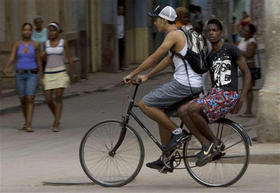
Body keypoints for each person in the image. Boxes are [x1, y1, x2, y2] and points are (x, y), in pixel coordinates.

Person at [123, 5, 203, 171]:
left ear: (164, 20)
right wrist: (147, 76)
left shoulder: (173, 35)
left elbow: (154, 58)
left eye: (156, 19)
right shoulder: (179, 34)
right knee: (161, 113)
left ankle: (178, 132)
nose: (154, 23)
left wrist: (133, 73)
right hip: (191, 84)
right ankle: (166, 158)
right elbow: (167, 61)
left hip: (184, 84)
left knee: (145, 104)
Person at [178, 19, 251, 167]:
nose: (211, 33)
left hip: (228, 94)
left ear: (221, 33)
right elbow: (213, 82)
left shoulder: (231, 49)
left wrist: (241, 99)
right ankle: (205, 143)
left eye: (215, 30)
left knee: (193, 109)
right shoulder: (210, 56)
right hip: (216, 94)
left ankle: (215, 143)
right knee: (182, 111)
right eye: (209, 31)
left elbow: (247, 74)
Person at [3, 23, 42, 132]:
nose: (27, 32)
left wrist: (42, 76)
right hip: (20, 74)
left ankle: (29, 124)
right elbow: (12, 57)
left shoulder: (35, 45)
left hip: (32, 74)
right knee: (22, 99)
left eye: (29, 30)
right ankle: (26, 122)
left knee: (30, 98)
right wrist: (6, 68)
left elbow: (39, 60)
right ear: (22, 31)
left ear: (32, 32)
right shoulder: (17, 44)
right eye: (25, 30)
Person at [42, 22, 78, 132]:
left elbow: (69, 58)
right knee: (48, 99)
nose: (51, 32)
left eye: (53, 30)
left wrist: (74, 73)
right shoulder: (46, 43)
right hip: (48, 73)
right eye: (50, 30)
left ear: (58, 31)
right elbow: (44, 60)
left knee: (58, 96)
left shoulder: (63, 43)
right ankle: (56, 116)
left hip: (61, 72)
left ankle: (56, 122)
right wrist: (42, 57)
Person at [237, 24, 257, 117]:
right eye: (244, 30)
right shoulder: (242, 39)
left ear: (251, 33)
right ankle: (247, 110)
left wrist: (237, 50)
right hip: (242, 67)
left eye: (247, 31)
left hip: (249, 67)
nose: (244, 32)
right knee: (246, 89)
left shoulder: (252, 41)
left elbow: (249, 55)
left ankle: (249, 111)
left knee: (249, 89)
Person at [117, 5, 125, 70]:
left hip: (122, 37)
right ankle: (118, 66)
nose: (121, 11)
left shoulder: (123, 18)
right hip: (117, 38)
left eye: (122, 9)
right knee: (118, 52)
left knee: (122, 52)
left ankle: (121, 65)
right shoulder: (116, 18)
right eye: (120, 9)